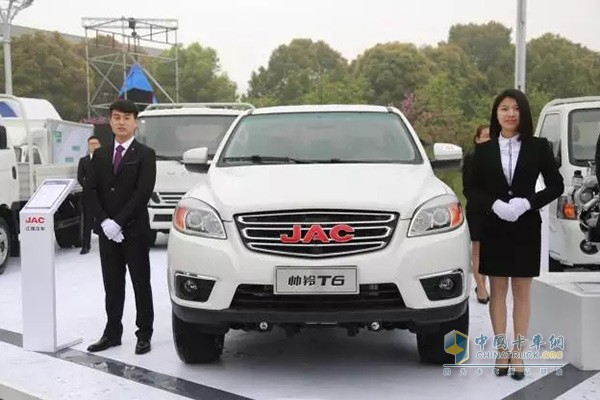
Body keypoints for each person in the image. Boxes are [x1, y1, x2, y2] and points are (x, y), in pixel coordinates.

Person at [465, 89, 563, 380]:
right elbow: (472, 189)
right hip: (494, 226)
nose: (510, 114)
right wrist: (494, 204)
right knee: (498, 289)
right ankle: (501, 350)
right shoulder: (483, 151)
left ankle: (518, 353)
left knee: (522, 291)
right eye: (504, 108)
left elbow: (556, 185)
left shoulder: (538, 147)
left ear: (524, 113)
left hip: (525, 226)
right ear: (496, 114)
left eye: (515, 108)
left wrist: (527, 203)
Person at [87, 99, 157, 355]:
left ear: (135, 123)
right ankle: (112, 332)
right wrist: (105, 221)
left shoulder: (145, 154)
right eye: (117, 117)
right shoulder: (100, 155)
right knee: (112, 284)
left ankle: (144, 333)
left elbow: (142, 192)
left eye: (127, 118)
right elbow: (91, 190)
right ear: (110, 121)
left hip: (134, 231)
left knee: (141, 283)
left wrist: (118, 222)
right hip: (107, 232)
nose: (121, 122)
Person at [462, 125, 491, 304]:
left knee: (489, 250)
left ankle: (482, 283)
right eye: (485, 136)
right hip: (477, 209)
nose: (489, 140)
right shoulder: (472, 157)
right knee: (478, 248)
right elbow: (467, 188)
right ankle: (480, 288)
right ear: (477, 139)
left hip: (495, 210)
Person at [77, 135, 101, 255]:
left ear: (99, 145)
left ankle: (106, 245)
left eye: (95, 143)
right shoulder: (84, 160)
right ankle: (86, 245)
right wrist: (87, 186)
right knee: (87, 221)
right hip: (89, 195)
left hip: (102, 196)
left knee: (103, 220)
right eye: (91, 144)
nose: (93, 146)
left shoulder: (106, 159)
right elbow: (80, 177)